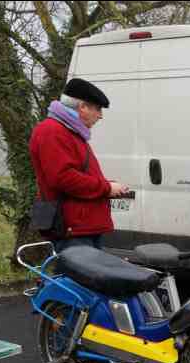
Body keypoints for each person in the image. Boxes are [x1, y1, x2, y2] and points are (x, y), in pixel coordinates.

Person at [29, 78, 130, 252]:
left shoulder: (69, 132)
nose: (100, 115)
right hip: (72, 229)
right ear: (82, 107)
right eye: (97, 109)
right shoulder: (52, 131)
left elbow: (76, 174)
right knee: (77, 279)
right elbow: (63, 178)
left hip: (81, 227)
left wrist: (111, 187)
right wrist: (106, 188)